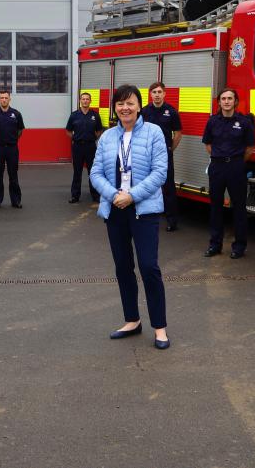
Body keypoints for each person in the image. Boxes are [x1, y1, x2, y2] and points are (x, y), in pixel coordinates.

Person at [90, 84, 171, 350]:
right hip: (115, 211)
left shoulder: (154, 133)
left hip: (143, 211)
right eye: (120, 104)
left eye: (130, 103)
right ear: (115, 108)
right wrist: (114, 195)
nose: (126, 108)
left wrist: (131, 195)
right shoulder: (107, 137)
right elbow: (95, 173)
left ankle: (159, 328)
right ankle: (132, 320)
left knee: (149, 267)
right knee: (123, 267)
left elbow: (160, 172)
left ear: (139, 105)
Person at [201, 88, 255, 259]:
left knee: (239, 208)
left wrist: (236, 161)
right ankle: (215, 245)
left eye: (229, 98)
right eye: (223, 98)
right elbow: (208, 145)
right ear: (219, 102)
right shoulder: (212, 122)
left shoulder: (244, 122)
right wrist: (220, 158)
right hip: (217, 167)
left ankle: (239, 246)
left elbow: (250, 148)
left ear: (235, 101)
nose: (226, 101)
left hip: (236, 167)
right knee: (215, 207)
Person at [140, 82, 182, 231]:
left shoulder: (171, 111)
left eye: (159, 92)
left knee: (168, 187)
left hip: (164, 155)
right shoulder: (144, 111)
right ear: (150, 94)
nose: (157, 95)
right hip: (146, 155)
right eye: (154, 92)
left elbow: (178, 133)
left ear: (164, 94)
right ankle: (145, 215)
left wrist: (170, 149)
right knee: (146, 185)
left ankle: (172, 220)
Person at [0, 90, 25, 209]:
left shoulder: (16, 114)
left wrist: (12, 140)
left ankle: (16, 201)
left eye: (6, 98)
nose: (4, 99)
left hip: (12, 149)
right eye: (1, 98)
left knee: (13, 175)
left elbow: (20, 131)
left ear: (9, 99)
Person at [65, 92, 104, 203]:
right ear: (80, 101)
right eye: (83, 99)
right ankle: (75, 196)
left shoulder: (95, 115)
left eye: (87, 99)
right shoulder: (74, 115)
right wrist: (76, 138)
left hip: (91, 146)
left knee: (93, 172)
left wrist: (92, 138)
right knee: (77, 172)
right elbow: (67, 131)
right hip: (77, 146)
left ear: (90, 101)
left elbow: (99, 130)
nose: (85, 101)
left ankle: (95, 195)